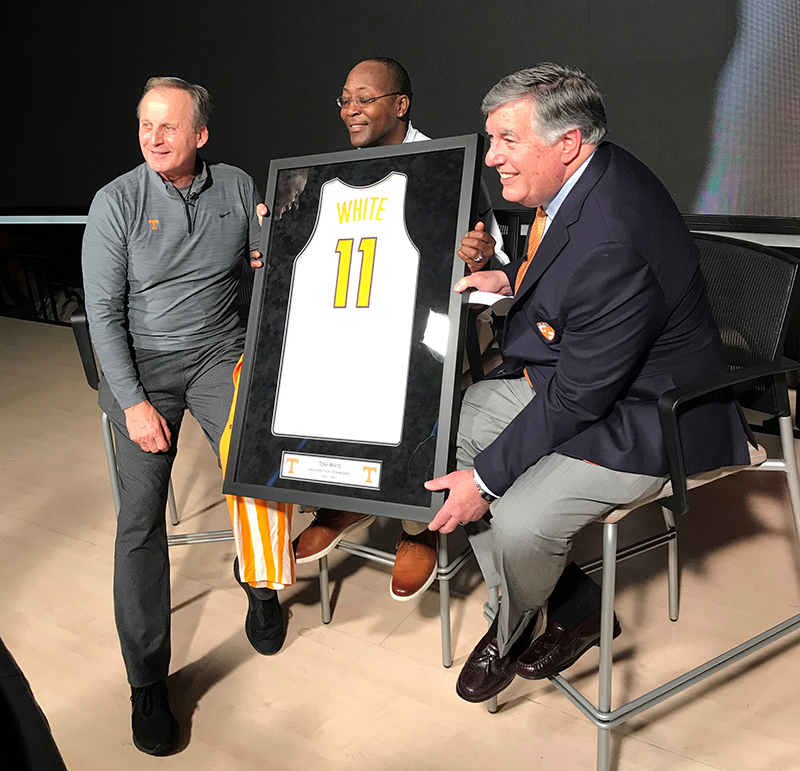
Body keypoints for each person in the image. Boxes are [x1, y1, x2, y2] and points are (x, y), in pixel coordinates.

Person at [422, 63, 751, 703]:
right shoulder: (590, 175)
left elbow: (579, 393)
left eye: (506, 141)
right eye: (492, 140)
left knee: (514, 519)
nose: (492, 159)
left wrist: (485, 483)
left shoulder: (614, 235)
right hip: (596, 378)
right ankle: (573, 605)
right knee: (465, 418)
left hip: (650, 414)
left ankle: (512, 625)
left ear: (567, 142)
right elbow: (573, 288)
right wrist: (510, 284)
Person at [82, 77, 288, 756]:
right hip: (141, 366)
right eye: (146, 124)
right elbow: (104, 320)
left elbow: (271, 254)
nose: (154, 137)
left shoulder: (232, 186)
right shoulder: (116, 202)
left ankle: (259, 582)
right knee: (139, 519)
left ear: (200, 135)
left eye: (169, 127)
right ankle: (146, 680)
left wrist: (270, 246)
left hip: (217, 354)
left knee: (258, 464)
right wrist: (135, 404)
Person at [288, 57, 510, 602]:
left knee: (416, 371)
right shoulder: (337, 172)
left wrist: (477, 254)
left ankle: (415, 524)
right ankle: (347, 498)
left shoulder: (448, 167)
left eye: (364, 99)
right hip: (361, 318)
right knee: (321, 361)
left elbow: (497, 256)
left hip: (431, 325)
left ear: (401, 105)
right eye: (345, 100)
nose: (351, 111)